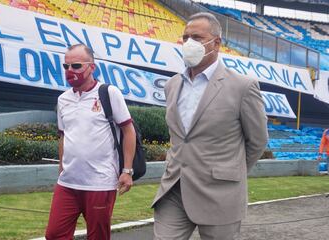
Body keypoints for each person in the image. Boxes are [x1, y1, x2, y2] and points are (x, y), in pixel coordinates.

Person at [152, 12, 268, 240]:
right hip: (174, 188)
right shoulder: (172, 85)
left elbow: (258, 140)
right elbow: (180, 137)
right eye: (185, 38)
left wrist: (229, 170)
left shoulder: (243, 87)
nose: (188, 43)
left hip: (220, 193)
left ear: (216, 43)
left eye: (196, 37)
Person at [45, 44, 136, 240]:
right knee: (54, 234)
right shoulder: (63, 99)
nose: (70, 71)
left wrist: (127, 171)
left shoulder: (109, 93)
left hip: (99, 183)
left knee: (98, 237)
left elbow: (128, 131)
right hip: (68, 183)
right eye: (66, 66)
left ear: (92, 67)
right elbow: (63, 136)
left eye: (76, 66)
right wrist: (61, 168)